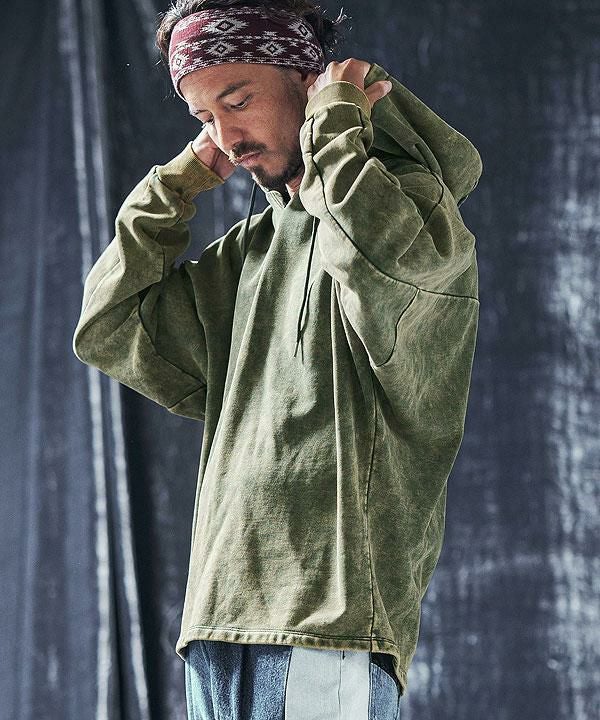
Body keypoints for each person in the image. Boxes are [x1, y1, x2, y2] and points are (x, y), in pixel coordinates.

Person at [72, 1, 483, 717]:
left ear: (308, 81)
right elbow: (112, 325)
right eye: (203, 117)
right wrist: (173, 189)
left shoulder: (416, 216)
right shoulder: (255, 247)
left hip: (328, 620)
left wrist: (336, 127)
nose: (226, 138)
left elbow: (373, 261)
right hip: (221, 619)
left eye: (238, 101)